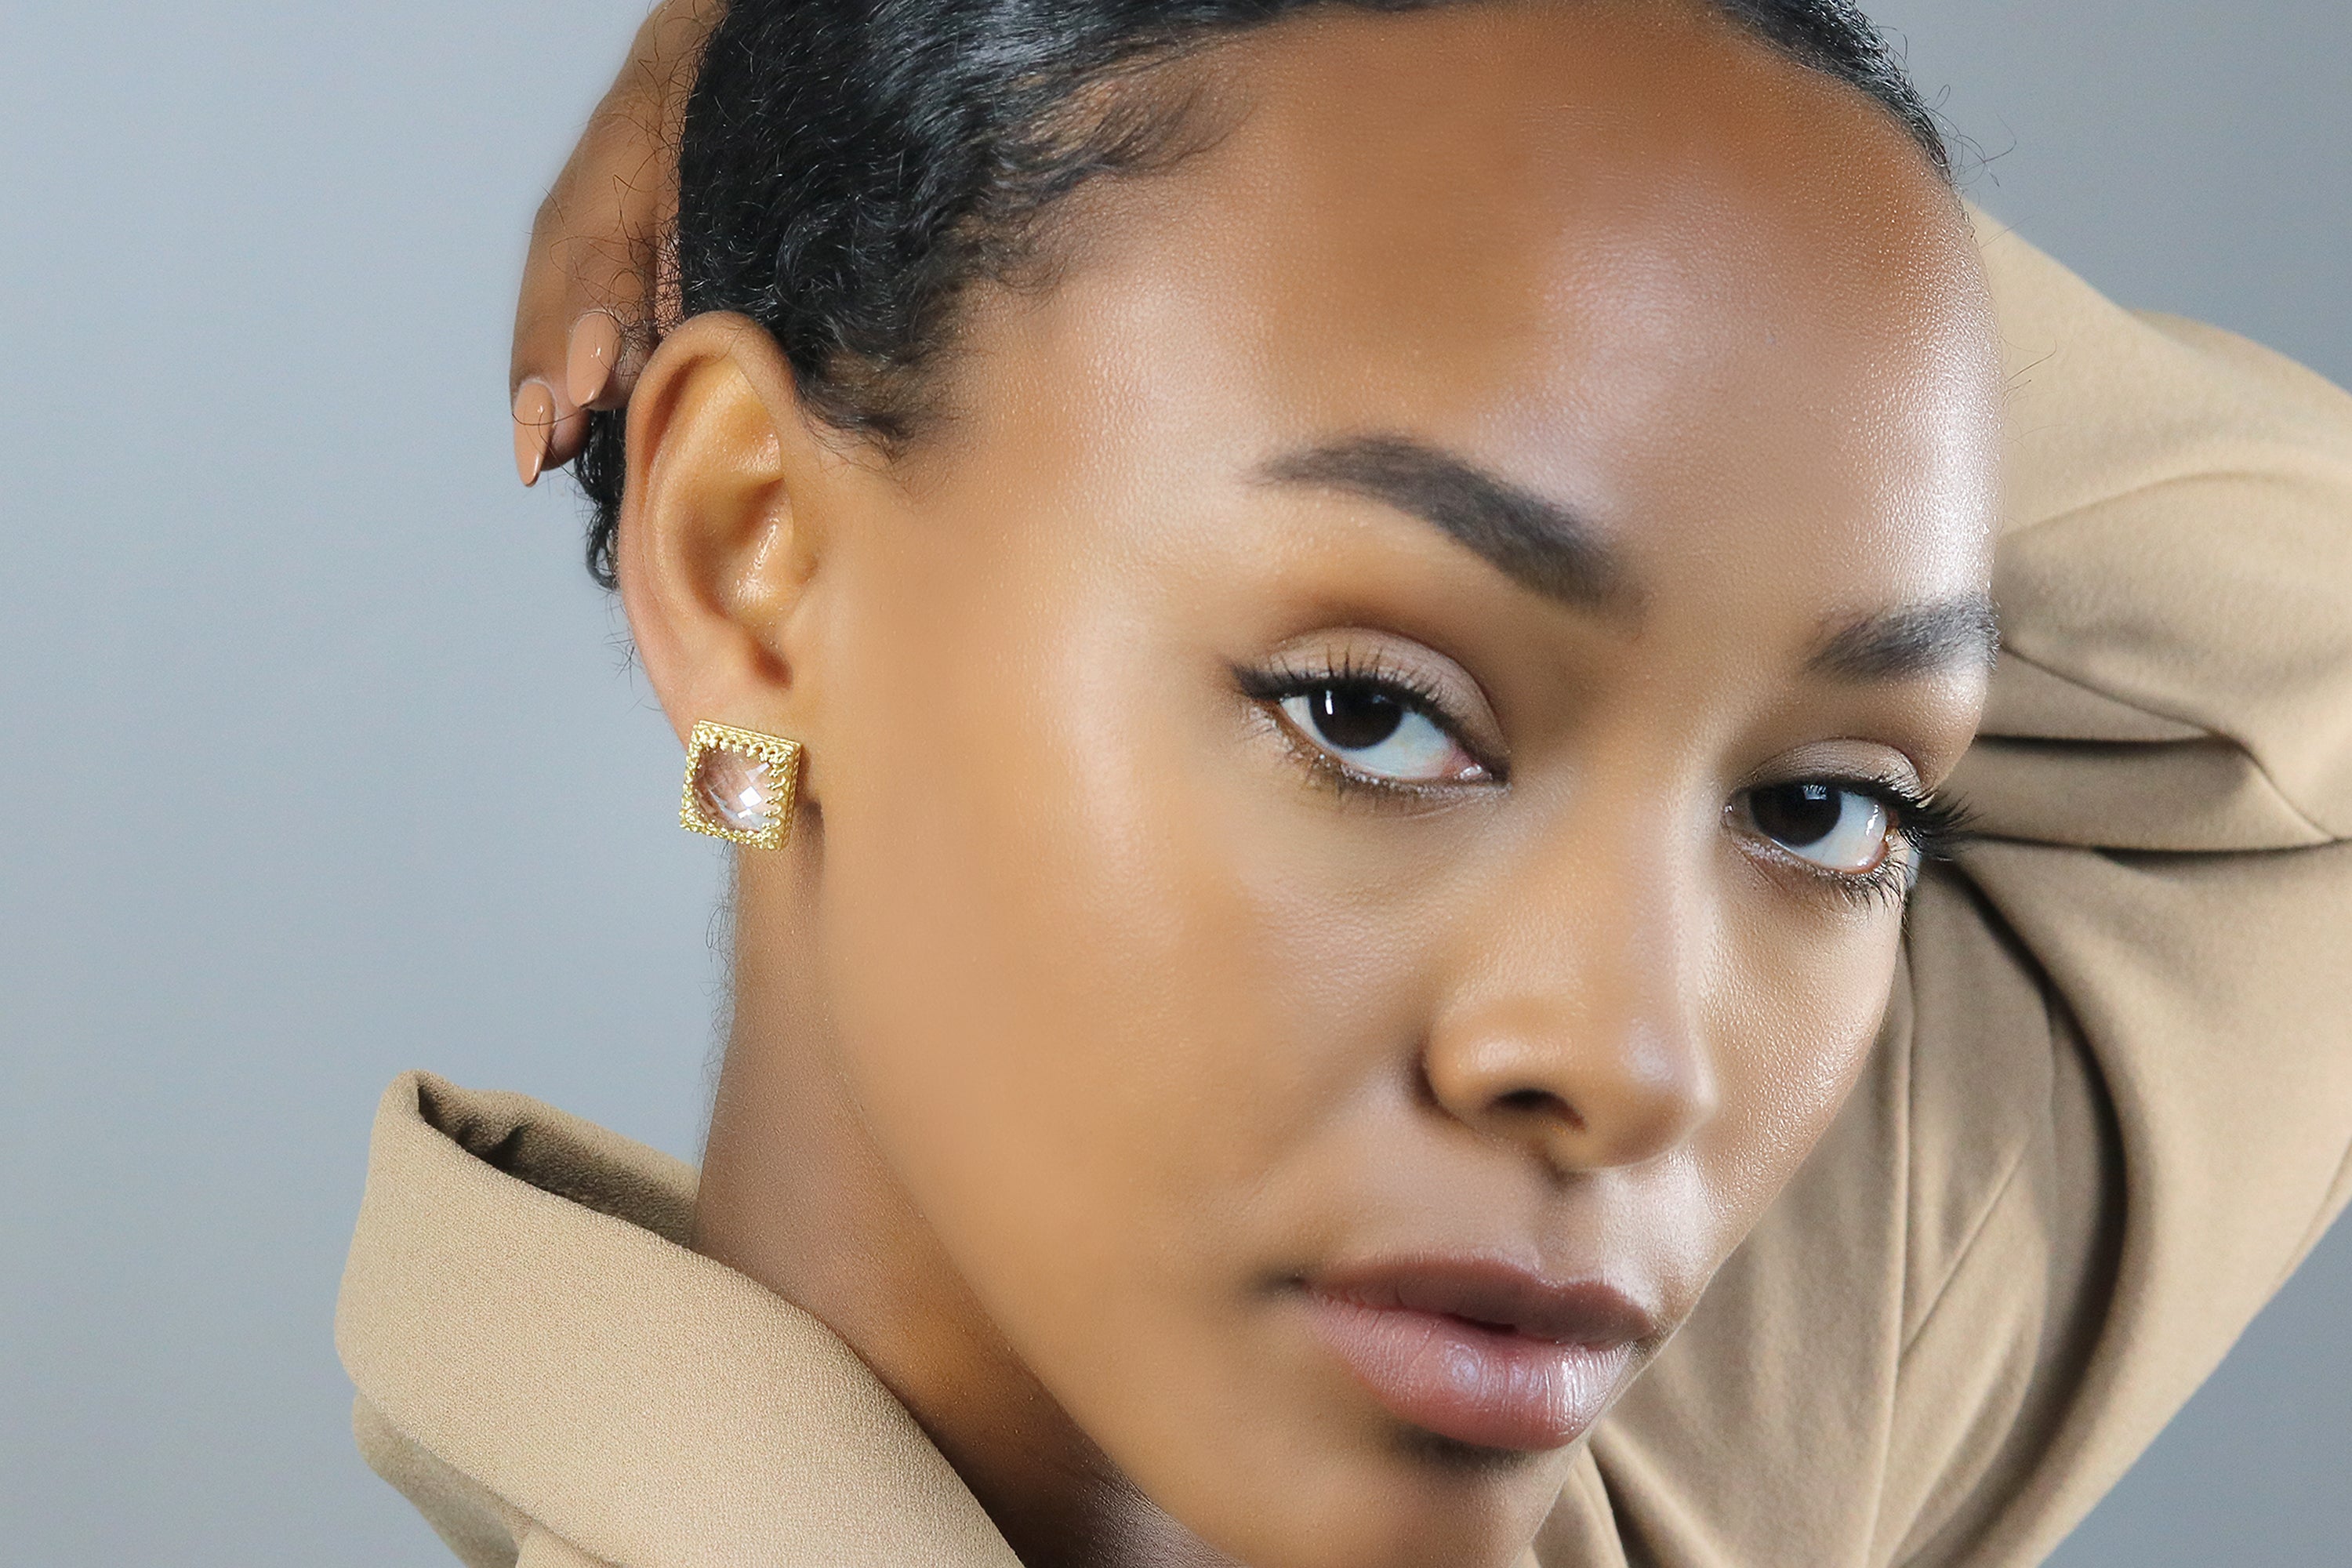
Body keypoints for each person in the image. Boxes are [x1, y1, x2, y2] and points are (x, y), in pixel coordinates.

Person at [340, 2, 2352, 1566]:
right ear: (750, 561)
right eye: (1370, 713)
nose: (1637, 1062)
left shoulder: (1677, 1495)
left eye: (1823, 807)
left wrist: (1744, 210)